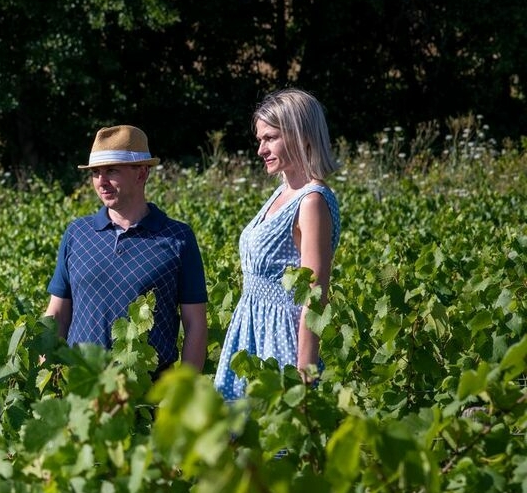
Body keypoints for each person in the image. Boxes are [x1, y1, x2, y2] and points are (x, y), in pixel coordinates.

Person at [44, 125, 209, 373]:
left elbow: (195, 323)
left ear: (141, 174)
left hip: (148, 395)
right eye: (95, 173)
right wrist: (46, 380)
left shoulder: (178, 238)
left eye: (111, 171)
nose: (101, 182)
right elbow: (57, 314)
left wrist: (183, 396)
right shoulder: (77, 234)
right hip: (80, 388)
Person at [213, 89, 342, 400]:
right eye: (260, 139)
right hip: (250, 332)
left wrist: (304, 373)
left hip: (280, 342)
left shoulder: (311, 202)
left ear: (302, 135)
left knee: (275, 441)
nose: (261, 149)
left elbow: (315, 293)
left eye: (270, 138)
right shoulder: (282, 192)